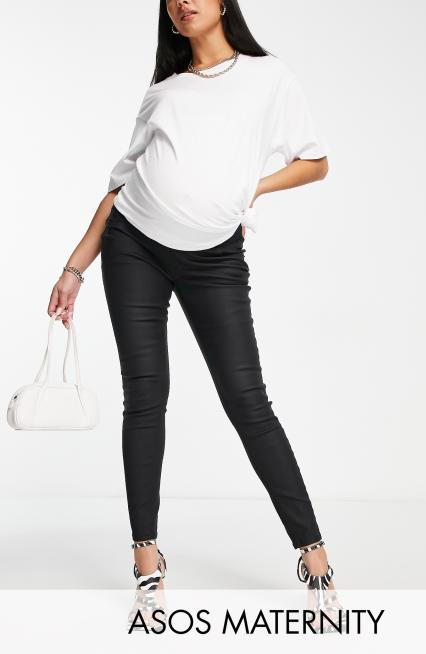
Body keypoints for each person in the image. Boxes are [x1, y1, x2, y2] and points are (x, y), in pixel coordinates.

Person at [47, 0, 339, 616]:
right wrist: (75, 268)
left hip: (214, 258)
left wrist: (251, 186)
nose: (183, 2)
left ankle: (313, 555)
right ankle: (146, 558)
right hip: (133, 247)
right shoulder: (164, 90)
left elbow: (315, 163)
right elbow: (120, 185)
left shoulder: (268, 76)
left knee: (247, 401)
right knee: (145, 397)